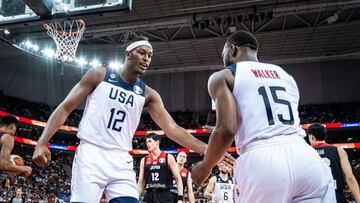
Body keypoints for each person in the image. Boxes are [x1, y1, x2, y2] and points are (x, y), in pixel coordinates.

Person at [32, 35, 207, 203]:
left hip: (121, 159)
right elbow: (65, 107)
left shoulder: (148, 94)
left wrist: (207, 149)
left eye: (150, 55)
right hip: (91, 154)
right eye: (142, 53)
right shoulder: (99, 75)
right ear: (128, 53)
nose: (147, 59)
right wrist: (42, 142)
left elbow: (172, 129)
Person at [191, 30, 336, 203]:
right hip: (306, 157)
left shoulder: (224, 75)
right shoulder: (286, 75)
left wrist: (205, 166)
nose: (223, 58)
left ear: (233, 49)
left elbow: (227, 129)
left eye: (223, 53)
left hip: (262, 161)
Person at [308, 123, 360, 203]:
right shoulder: (338, 151)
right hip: (336, 196)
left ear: (311, 137)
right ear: (325, 135)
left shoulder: (304, 153)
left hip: (314, 197)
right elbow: (349, 178)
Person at [137, 133, 183, 203]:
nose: (147, 144)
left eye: (150, 141)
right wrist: (136, 197)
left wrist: (180, 198)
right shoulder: (144, 160)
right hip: (149, 195)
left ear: (157, 142)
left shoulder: (168, 157)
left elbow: (178, 179)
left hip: (164, 194)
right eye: (146, 142)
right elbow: (140, 183)